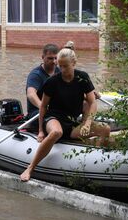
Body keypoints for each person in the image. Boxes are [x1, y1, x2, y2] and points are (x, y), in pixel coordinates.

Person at [20, 41, 111, 182]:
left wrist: (87, 123)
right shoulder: (52, 82)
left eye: (65, 66)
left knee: (105, 129)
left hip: (72, 122)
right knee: (57, 132)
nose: (61, 70)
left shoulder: (83, 78)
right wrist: (41, 131)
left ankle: (97, 162)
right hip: (54, 118)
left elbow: (92, 102)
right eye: (59, 66)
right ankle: (30, 167)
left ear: (74, 63)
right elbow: (43, 107)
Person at [26, 44, 60, 121]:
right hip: (36, 112)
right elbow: (31, 94)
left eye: (56, 58)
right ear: (42, 57)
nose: (54, 61)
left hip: (55, 109)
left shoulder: (60, 71)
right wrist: (42, 106)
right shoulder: (36, 75)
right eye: (50, 58)